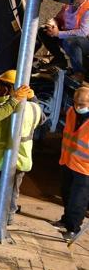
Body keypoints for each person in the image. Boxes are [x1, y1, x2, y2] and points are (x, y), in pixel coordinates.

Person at [0, 70, 44, 227]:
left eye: (0, 85)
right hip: (21, 160)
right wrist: (33, 98)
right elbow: (42, 119)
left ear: (9, 89)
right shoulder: (34, 108)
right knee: (13, 191)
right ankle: (8, 218)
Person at [54, 87, 89, 240]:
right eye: (75, 102)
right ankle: (65, 220)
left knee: (78, 200)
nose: (78, 106)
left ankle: (73, 228)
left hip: (85, 169)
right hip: (68, 161)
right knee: (66, 194)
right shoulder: (71, 112)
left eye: (81, 104)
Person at [43, 0, 89, 79]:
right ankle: (59, 59)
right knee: (43, 30)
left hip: (84, 41)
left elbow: (83, 32)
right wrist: (52, 25)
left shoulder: (87, 9)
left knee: (70, 41)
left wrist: (58, 33)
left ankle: (79, 72)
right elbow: (57, 18)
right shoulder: (69, 3)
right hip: (67, 36)